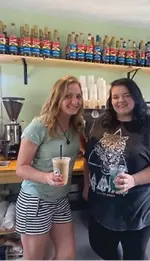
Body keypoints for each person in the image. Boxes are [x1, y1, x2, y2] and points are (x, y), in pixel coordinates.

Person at [82, 78, 150, 260]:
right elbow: (88, 156)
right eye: (115, 96)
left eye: (126, 95)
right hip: (103, 205)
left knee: (134, 255)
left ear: (136, 98)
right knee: (100, 246)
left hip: (139, 207)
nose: (120, 100)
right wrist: (86, 186)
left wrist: (134, 180)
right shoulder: (101, 122)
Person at [16, 75, 84, 260]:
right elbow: (21, 168)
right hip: (36, 200)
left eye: (78, 96)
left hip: (60, 199)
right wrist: (46, 177)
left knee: (66, 256)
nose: (74, 101)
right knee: (35, 258)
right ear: (57, 97)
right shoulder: (40, 125)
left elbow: (87, 150)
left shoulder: (77, 125)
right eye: (68, 96)